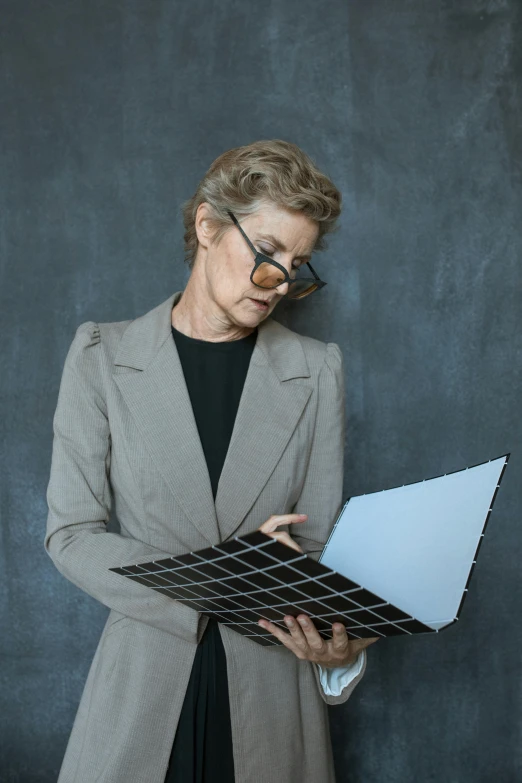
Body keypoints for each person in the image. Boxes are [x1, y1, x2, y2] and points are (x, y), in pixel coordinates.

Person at [45, 139, 379, 783]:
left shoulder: (315, 370)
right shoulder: (100, 356)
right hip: (141, 684)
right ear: (207, 225)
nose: (279, 280)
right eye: (267, 252)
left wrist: (339, 639)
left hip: (274, 697)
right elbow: (71, 535)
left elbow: (313, 551)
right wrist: (219, 580)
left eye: (297, 263)